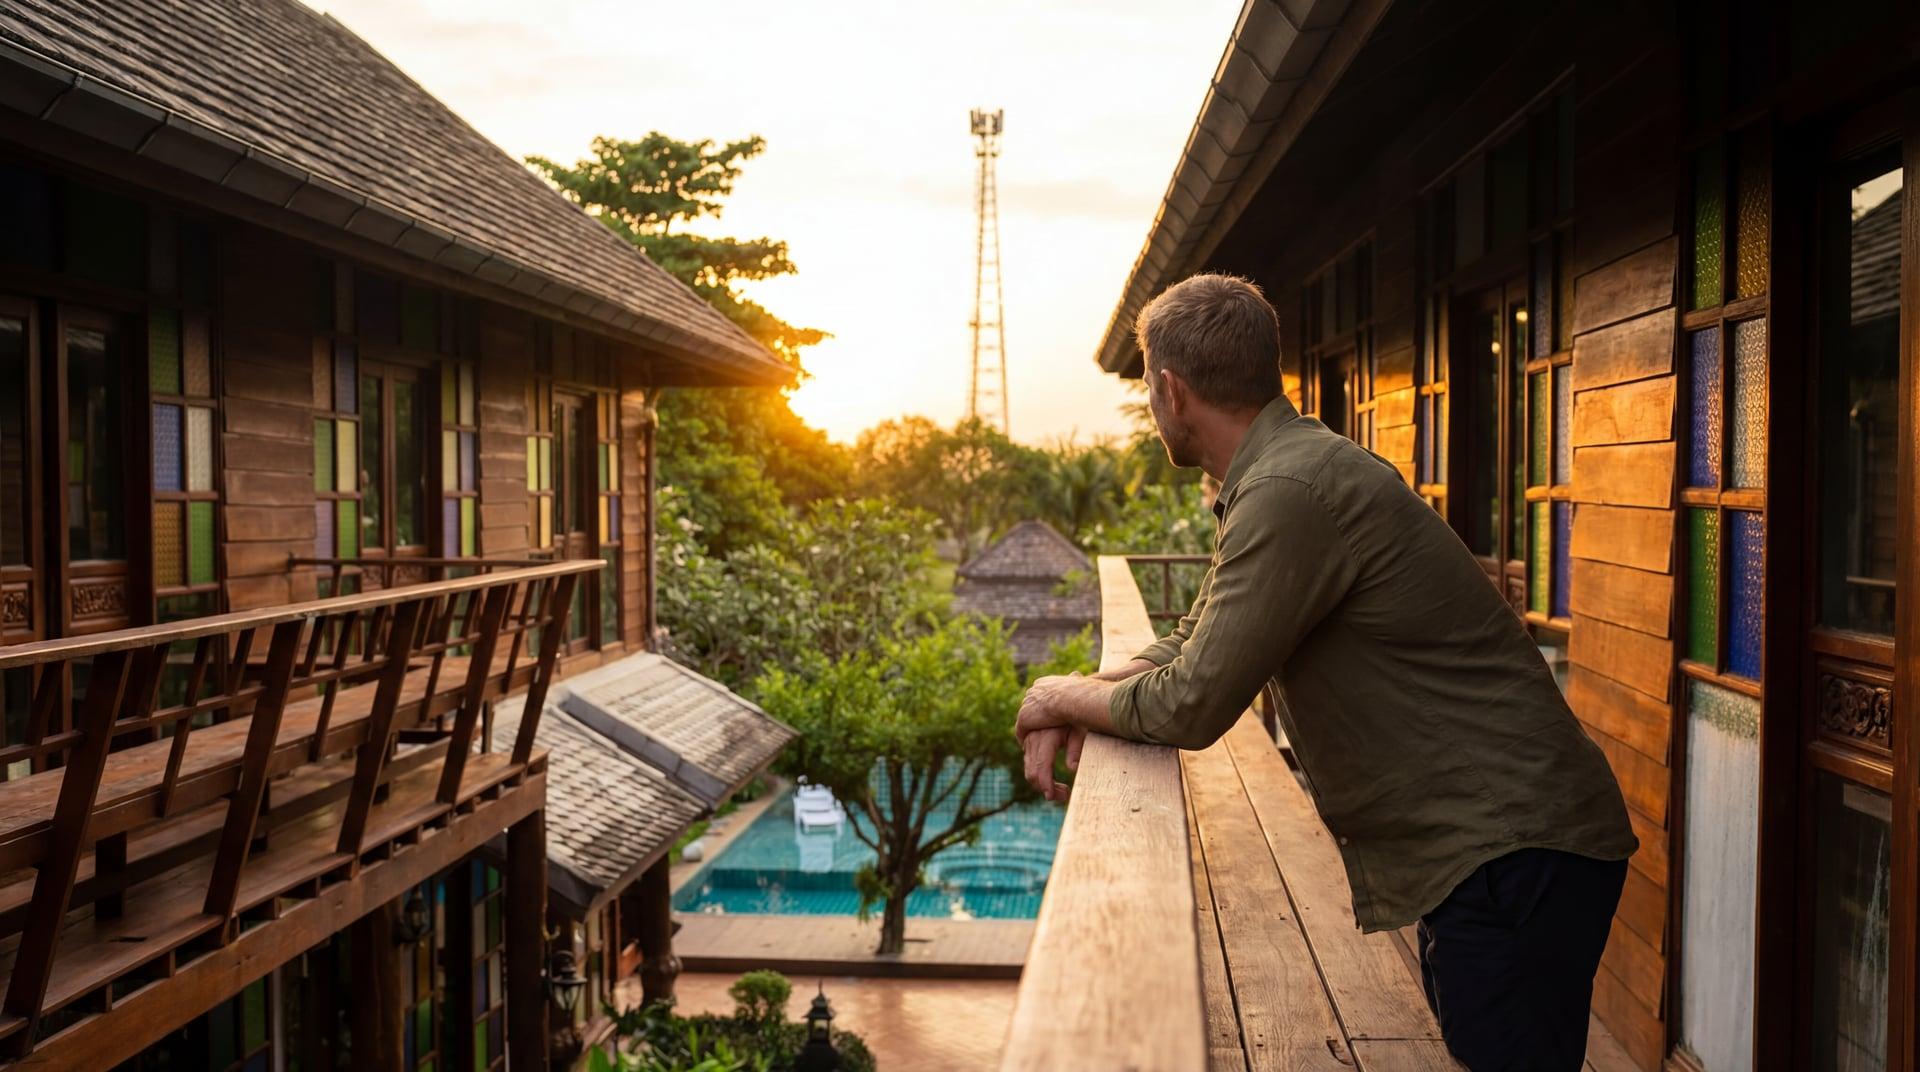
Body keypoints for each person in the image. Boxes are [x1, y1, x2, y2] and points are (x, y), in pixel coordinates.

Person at [1014, 273, 1638, 1072]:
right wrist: (1085, 698)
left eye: (1146, 388)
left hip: (1514, 852)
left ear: (1172, 391)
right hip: (1502, 850)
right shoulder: (1282, 473)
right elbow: (1196, 634)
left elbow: (1193, 702)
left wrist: (1052, 695)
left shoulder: (1287, 490)